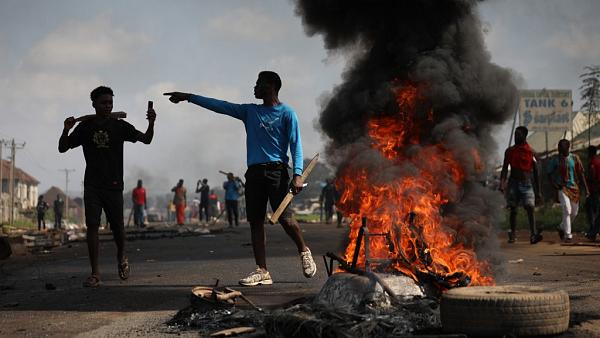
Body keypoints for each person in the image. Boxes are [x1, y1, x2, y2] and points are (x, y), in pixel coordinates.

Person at [165, 70, 317, 286]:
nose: (254, 87)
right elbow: (219, 105)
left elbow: (296, 145)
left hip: (278, 172)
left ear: (271, 85)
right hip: (254, 173)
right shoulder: (249, 111)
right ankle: (262, 270)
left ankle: (304, 250)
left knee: (286, 218)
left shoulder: (287, 113)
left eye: (259, 83)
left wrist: (298, 174)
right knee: (255, 221)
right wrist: (189, 97)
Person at [58, 85, 155, 287]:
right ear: (93, 104)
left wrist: (152, 123)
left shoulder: (120, 126)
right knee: (92, 226)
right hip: (93, 184)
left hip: (114, 185)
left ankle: (122, 257)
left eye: (110, 103)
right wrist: (66, 130)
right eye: (104, 103)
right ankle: (95, 273)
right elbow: (62, 148)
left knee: (118, 227)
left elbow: (146, 140)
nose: (108, 106)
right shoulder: (85, 127)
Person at [499, 126, 543, 244]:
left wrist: (538, 191)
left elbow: (536, 172)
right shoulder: (510, 151)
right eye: (515, 134)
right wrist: (502, 184)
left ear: (524, 136)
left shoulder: (530, 152)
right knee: (513, 209)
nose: (515, 137)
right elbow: (504, 168)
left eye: (518, 134)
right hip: (513, 182)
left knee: (530, 207)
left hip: (527, 184)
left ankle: (533, 234)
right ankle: (512, 233)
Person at [546, 139, 589, 243]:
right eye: (559, 148)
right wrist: (555, 185)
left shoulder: (575, 158)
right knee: (567, 209)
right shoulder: (555, 159)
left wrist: (586, 188)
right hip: (562, 187)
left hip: (574, 188)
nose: (560, 150)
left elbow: (581, 173)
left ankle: (561, 227)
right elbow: (549, 173)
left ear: (568, 147)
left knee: (574, 212)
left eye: (562, 148)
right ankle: (568, 235)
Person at [586, 145, 600, 241]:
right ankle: (593, 232)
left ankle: (593, 232)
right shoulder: (599, 161)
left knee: (592, 212)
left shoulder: (592, 163)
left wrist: (587, 179)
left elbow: (592, 174)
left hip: (594, 190)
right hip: (598, 190)